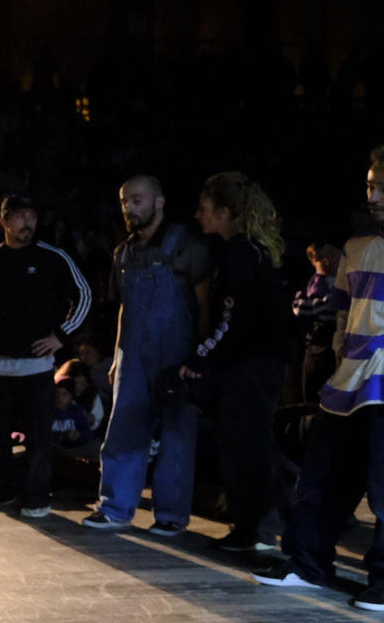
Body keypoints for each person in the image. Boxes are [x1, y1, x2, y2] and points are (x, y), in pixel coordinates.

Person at [256, 143, 384, 608]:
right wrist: (342, 350)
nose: (374, 196)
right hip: (349, 384)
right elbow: (343, 313)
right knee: (322, 477)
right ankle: (307, 563)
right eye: (370, 186)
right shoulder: (357, 250)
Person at [82, 175, 213, 536]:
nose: (129, 208)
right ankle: (115, 508)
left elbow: (204, 303)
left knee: (177, 434)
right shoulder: (123, 253)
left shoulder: (186, 244)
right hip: (133, 354)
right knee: (124, 427)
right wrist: (117, 358)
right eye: (125, 202)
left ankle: (171, 515)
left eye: (137, 200)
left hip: (178, 352)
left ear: (159, 202)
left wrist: (201, 356)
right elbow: (123, 307)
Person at [0, 194, 93, 517]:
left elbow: (84, 295)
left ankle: (37, 498)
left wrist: (60, 336)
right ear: (4, 221)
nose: (27, 223)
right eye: (19, 216)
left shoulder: (53, 257)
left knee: (38, 438)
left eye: (31, 215)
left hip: (36, 367)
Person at [178, 173, 290, 552]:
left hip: (253, 364)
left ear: (225, 212)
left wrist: (200, 357)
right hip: (259, 362)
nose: (198, 215)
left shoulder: (239, 253)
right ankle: (258, 525)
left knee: (245, 446)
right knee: (250, 444)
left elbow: (235, 320)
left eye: (205, 209)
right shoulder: (249, 250)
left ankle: (255, 529)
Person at [292, 241, 343, 403]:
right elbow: (310, 308)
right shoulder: (316, 283)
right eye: (322, 257)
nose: (327, 260)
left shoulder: (347, 280)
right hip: (320, 346)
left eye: (333, 254)